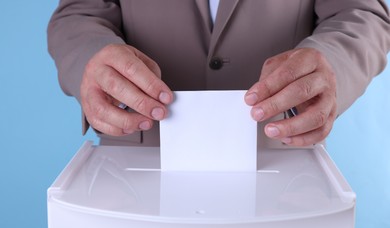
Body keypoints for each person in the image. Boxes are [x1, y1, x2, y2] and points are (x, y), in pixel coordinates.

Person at [48, 0, 390, 147]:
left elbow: (360, 12)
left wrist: (332, 64)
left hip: (281, 158)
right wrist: (92, 60)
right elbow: (80, 12)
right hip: (134, 157)